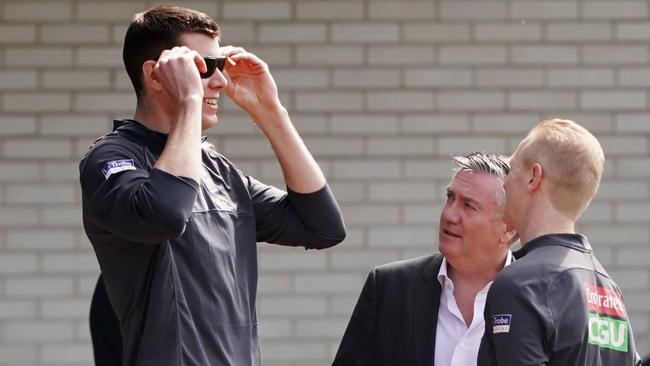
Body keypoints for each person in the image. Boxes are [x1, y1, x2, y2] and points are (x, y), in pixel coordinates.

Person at [79, 5, 346, 366]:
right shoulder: (110, 157)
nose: (219, 81)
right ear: (155, 76)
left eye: (220, 67)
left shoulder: (217, 170)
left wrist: (270, 111)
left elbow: (323, 227)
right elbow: (165, 215)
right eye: (204, 68)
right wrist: (189, 102)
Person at [477, 119, 642, 366]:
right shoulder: (607, 288)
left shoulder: (521, 285)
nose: (504, 182)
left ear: (534, 177)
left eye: (510, 170)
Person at [333, 152, 517, 366]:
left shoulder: (540, 298)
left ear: (509, 228)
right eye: (450, 198)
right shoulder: (389, 287)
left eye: (468, 205)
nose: (449, 215)